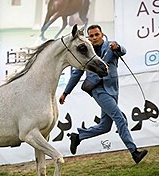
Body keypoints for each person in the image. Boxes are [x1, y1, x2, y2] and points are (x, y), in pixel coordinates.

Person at [59, 25, 148, 164]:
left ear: (102, 34)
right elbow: (76, 73)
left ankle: (78, 136)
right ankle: (134, 152)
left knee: (105, 127)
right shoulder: (86, 53)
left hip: (112, 89)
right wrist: (66, 92)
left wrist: (117, 47)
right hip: (97, 90)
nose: (94, 38)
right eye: (91, 36)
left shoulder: (110, 46)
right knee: (119, 118)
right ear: (88, 38)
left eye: (96, 35)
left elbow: (123, 51)